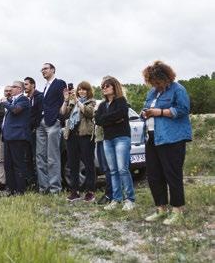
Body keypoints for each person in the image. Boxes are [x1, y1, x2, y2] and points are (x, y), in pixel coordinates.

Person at [142, 61, 192, 225]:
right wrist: (145, 113)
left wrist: (160, 112)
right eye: (152, 82)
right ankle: (161, 209)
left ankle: (178, 210)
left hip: (172, 138)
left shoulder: (178, 89)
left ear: (165, 77)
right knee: (154, 175)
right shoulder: (152, 93)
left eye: (157, 81)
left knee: (172, 174)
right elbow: (146, 107)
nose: (155, 85)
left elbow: (183, 109)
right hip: (152, 138)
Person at [95, 76, 136, 211]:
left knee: (122, 169)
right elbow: (98, 120)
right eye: (103, 87)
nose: (104, 88)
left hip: (122, 138)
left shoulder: (121, 101)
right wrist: (112, 119)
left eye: (107, 86)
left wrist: (108, 119)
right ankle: (116, 199)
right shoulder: (102, 105)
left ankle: (129, 199)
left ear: (114, 87)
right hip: (108, 139)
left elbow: (121, 114)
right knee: (113, 171)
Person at [60, 81, 96, 202]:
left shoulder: (91, 101)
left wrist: (77, 101)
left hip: (85, 135)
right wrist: (66, 100)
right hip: (72, 136)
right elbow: (63, 113)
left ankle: (90, 191)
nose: (81, 91)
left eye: (84, 89)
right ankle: (75, 191)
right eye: (79, 89)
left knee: (88, 163)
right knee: (73, 164)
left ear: (88, 91)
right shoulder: (72, 102)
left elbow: (89, 113)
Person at [36, 63, 66, 194]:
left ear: (53, 70)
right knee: (40, 156)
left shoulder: (59, 83)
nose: (43, 71)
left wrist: (58, 118)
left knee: (52, 157)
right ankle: (44, 188)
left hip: (53, 123)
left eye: (45, 68)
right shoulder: (45, 87)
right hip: (41, 123)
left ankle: (55, 189)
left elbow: (64, 100)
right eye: (42, 69)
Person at [1, 81, 31, 195]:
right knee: (8, 164)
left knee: (18, 164)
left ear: (19, 89)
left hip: (18, 137)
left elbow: (15, 110)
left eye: (13, 87)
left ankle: (20, 190)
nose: (11, 88)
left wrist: (5, 103)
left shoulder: (23, 100)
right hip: (8, 137)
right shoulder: (12, 100)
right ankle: (11, 188)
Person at [24, 77, 43, 189]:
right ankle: (31, 182)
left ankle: (39, 184)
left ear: (33, 85)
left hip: (36, 131)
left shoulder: (39, 96)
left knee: (37, 158)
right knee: (27, 158)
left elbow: (39, 113)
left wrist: (35, 127)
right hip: (27, 133)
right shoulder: (26, 99)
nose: (25, 86)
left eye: (26, 84)